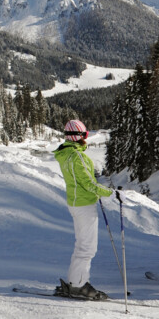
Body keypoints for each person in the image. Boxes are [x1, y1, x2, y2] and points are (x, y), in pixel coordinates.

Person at [52, 120, 114, 300]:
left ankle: (75, 281)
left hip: (76, 202)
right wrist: (111, 193)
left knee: (82, 245)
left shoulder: (65, 154)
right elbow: (88, 184)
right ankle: (78, 285)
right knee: (87, 247)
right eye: (85, 134)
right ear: (79, 136)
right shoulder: (77, 157)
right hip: (84, 204)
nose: (86, 138)